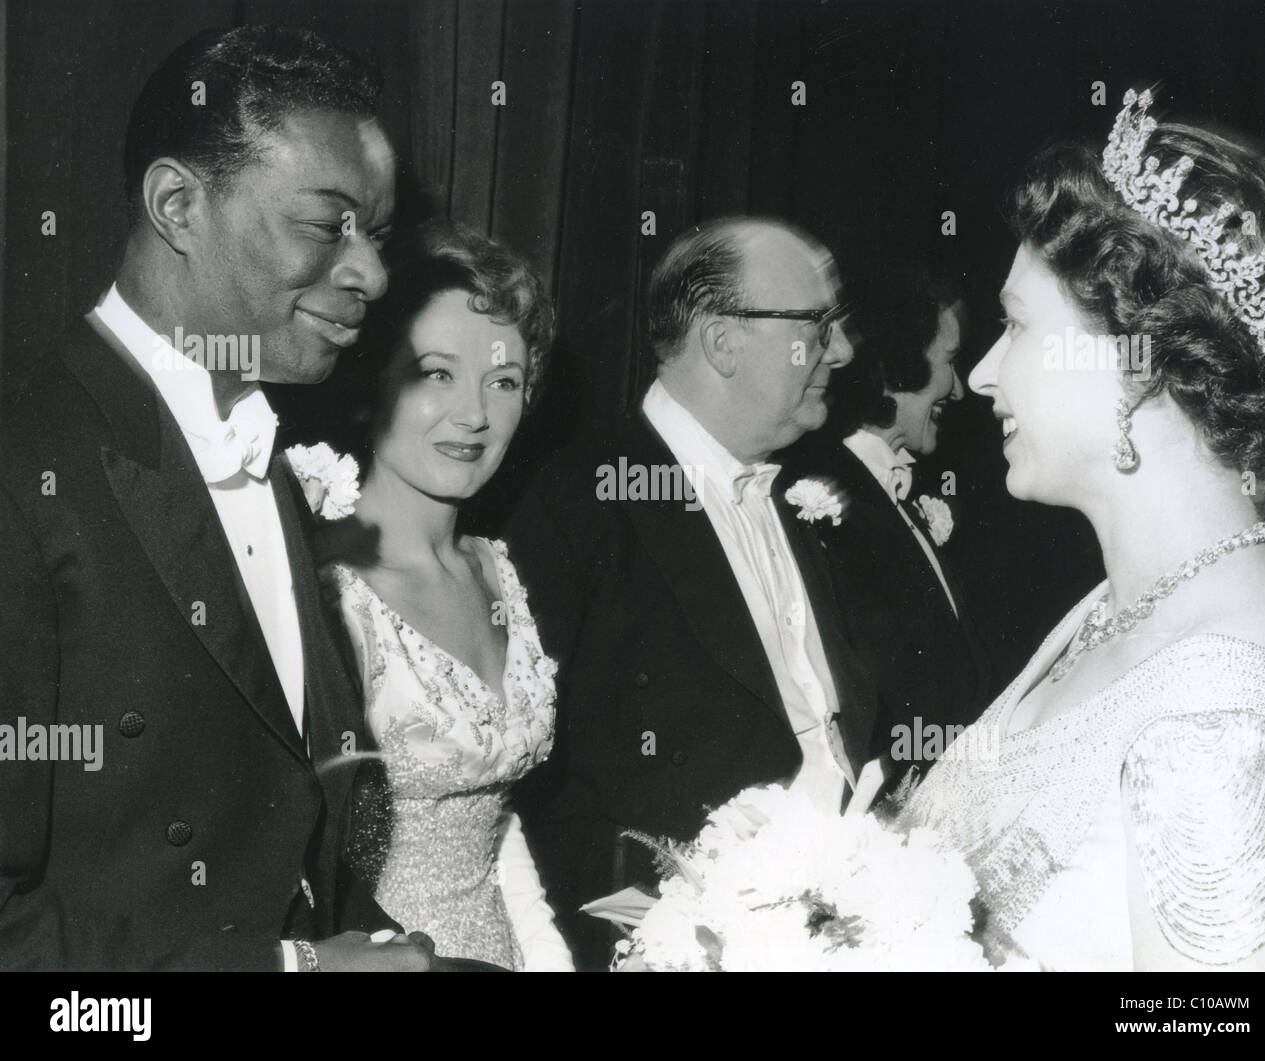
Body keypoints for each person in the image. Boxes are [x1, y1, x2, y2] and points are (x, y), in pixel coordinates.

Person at [0, 26, 438, 971]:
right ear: (177, 205)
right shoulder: (23, 475)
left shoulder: (257, 438)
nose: (372, 274)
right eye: (328, 226)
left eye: (378, 237)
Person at [900, 89, 1265, 970]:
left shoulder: (1219, 719)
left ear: (1136, 359)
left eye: (1015, 325)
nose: (982, 374)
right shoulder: (1124, 599)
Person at [508, 217, 880, 969]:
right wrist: (664, 942)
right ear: (722, 342)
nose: (840, 350)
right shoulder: (572, 501)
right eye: (817, 325)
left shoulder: (814, 494)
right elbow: (546, 807)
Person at [314, 222, 572, 971]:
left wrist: (549, 959)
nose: (474, 415)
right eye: (437, 373)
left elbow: (495, 822)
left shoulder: (498, 571)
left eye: (505, 380)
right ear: (370, 382)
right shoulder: (326, 592)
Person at [779, 270, 991, 784]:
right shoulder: (817, 502)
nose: (959, 390)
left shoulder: (901, 492)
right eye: (948, 362)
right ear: (897, 366)